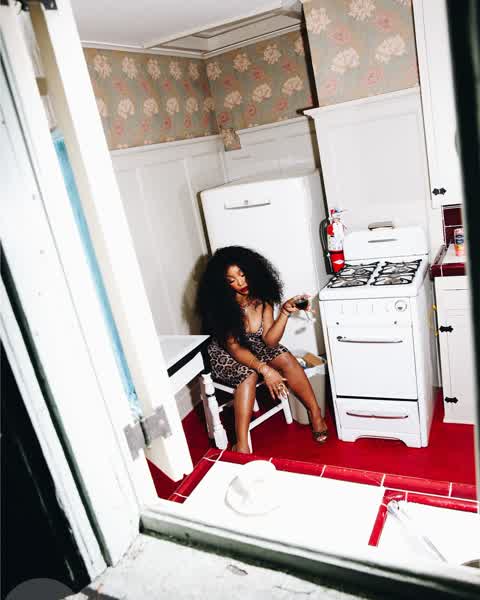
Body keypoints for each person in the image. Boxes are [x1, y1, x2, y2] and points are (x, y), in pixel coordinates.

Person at [196, 245, 328, 454]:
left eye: (243, 274)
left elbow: (270, 341)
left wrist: (284, 312)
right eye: (232, 280)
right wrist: (265, 370)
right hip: (224, 352)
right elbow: (235, 348)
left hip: (255, 344)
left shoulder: (262, 298)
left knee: (286, 358)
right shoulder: (222, 307)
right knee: (248, 375)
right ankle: (242, 444)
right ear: (223, 284)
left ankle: (315, 412)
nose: (241, 283)